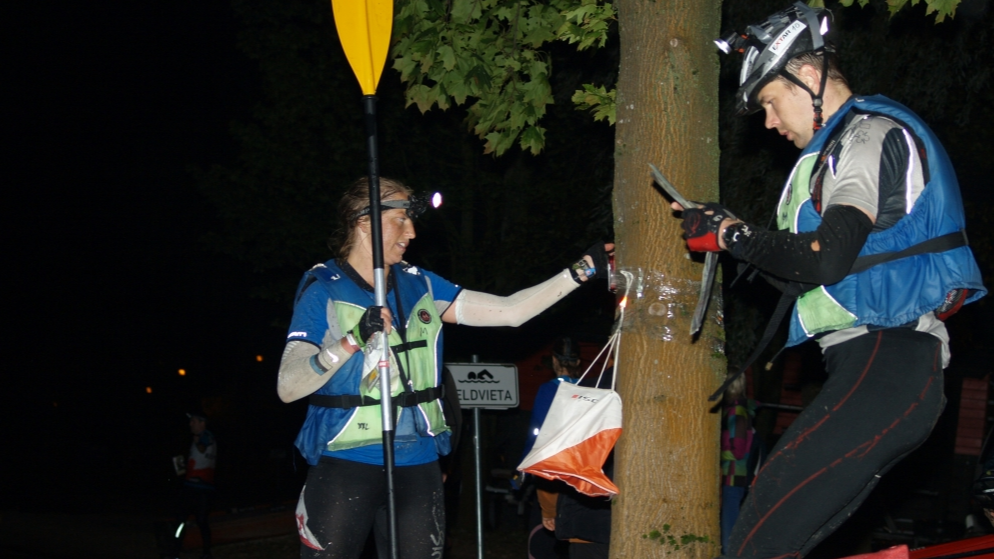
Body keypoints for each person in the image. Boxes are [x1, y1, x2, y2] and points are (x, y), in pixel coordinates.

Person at [672, 3, 987, 557]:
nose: (769, 122)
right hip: (874, 369)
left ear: (810, 78)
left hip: (889, 359)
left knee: (757, 539)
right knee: (777, 541)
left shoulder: (868, 134)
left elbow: (826, 258)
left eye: (770, 101)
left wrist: (731, 235)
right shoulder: (830, 156)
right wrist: (731, 235)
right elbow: (807, 281)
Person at [278, 177, 613, 559]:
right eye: (401, 219)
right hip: (344, 464)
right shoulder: (323, 287)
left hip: (418, 466)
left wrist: (582, 270)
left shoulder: (420, 284)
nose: (413, 232)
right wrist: (350, 340)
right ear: (364, 221)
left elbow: (511, 312)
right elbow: (288, 386)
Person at [168, 412, 217, 559]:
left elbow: (202, 447)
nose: (190, 424)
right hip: (190, 486)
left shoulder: (206, 436)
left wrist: (196, 440)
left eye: (193, 421)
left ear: (202, 423)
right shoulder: (196, 438)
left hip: (203, 489)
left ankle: (207, 553)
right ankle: (175, 553)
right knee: (181, 520)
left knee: (201, 521)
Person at [719, 373, 755, 555]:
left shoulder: (737, 412)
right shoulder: (731, 410)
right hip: (729, 477)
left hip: (733, 479)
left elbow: (737, 451)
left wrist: (715, 453)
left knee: (730, 533)